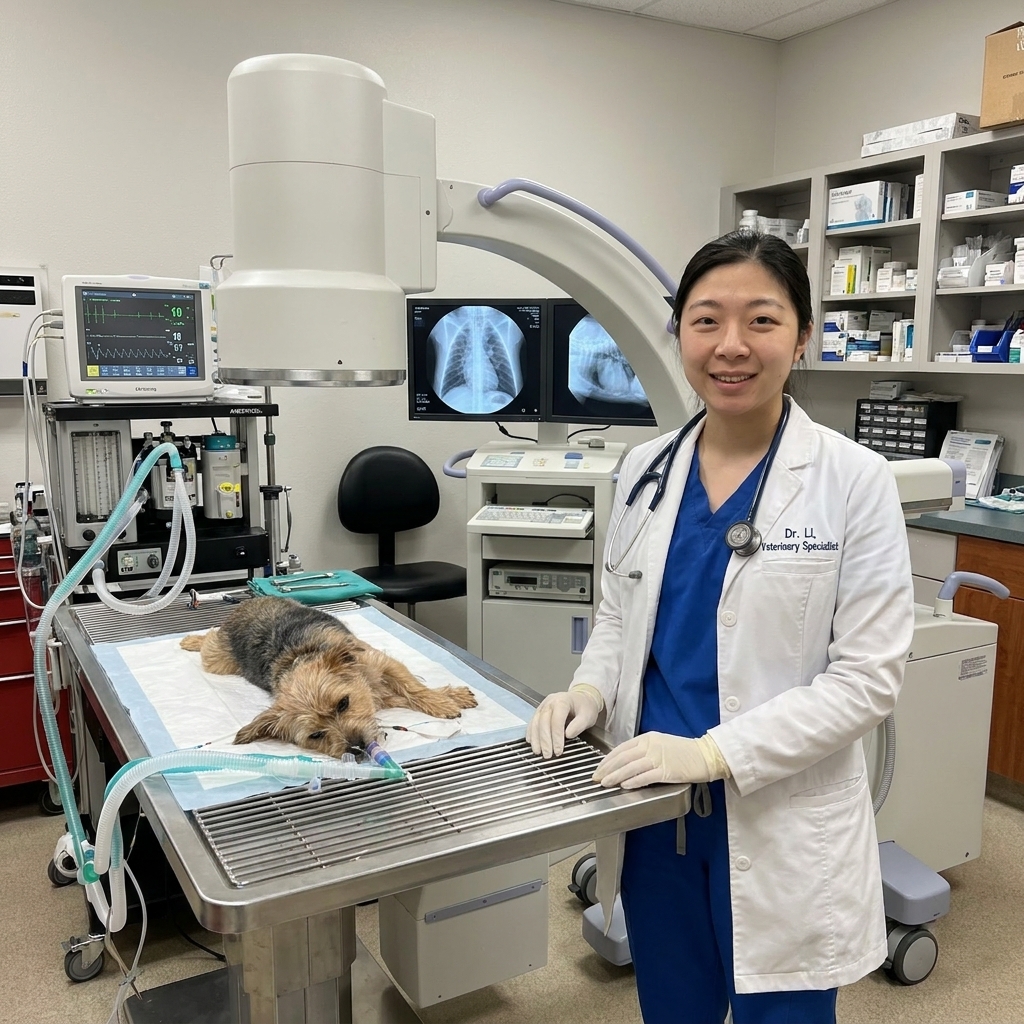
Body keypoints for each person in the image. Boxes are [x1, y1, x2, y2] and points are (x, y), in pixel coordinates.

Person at [527, 231, 914, 1024]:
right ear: (679, 335)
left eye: (762, 320)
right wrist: (589, 691)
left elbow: (867, 680)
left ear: (801, 337)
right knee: (674, 1010)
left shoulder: (854, 480)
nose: (730, 346)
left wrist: (713, 753)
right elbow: (618, 613)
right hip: (654, 814)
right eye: (706, 321)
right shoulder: (643, 470)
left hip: (779, 815)